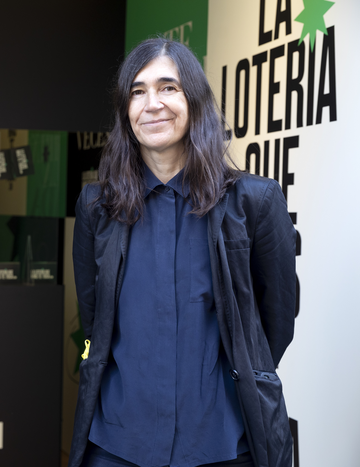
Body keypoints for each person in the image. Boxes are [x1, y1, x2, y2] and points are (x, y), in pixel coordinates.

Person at [70, 38, 296, 467]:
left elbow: (274, 324)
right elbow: (93, 316)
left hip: (223, 445)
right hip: (117, 447)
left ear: (195, 100)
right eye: (137, 91)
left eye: (168, 87)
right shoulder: (96, 207)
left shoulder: (255, 201)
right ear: (125, 112)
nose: (151, 103)